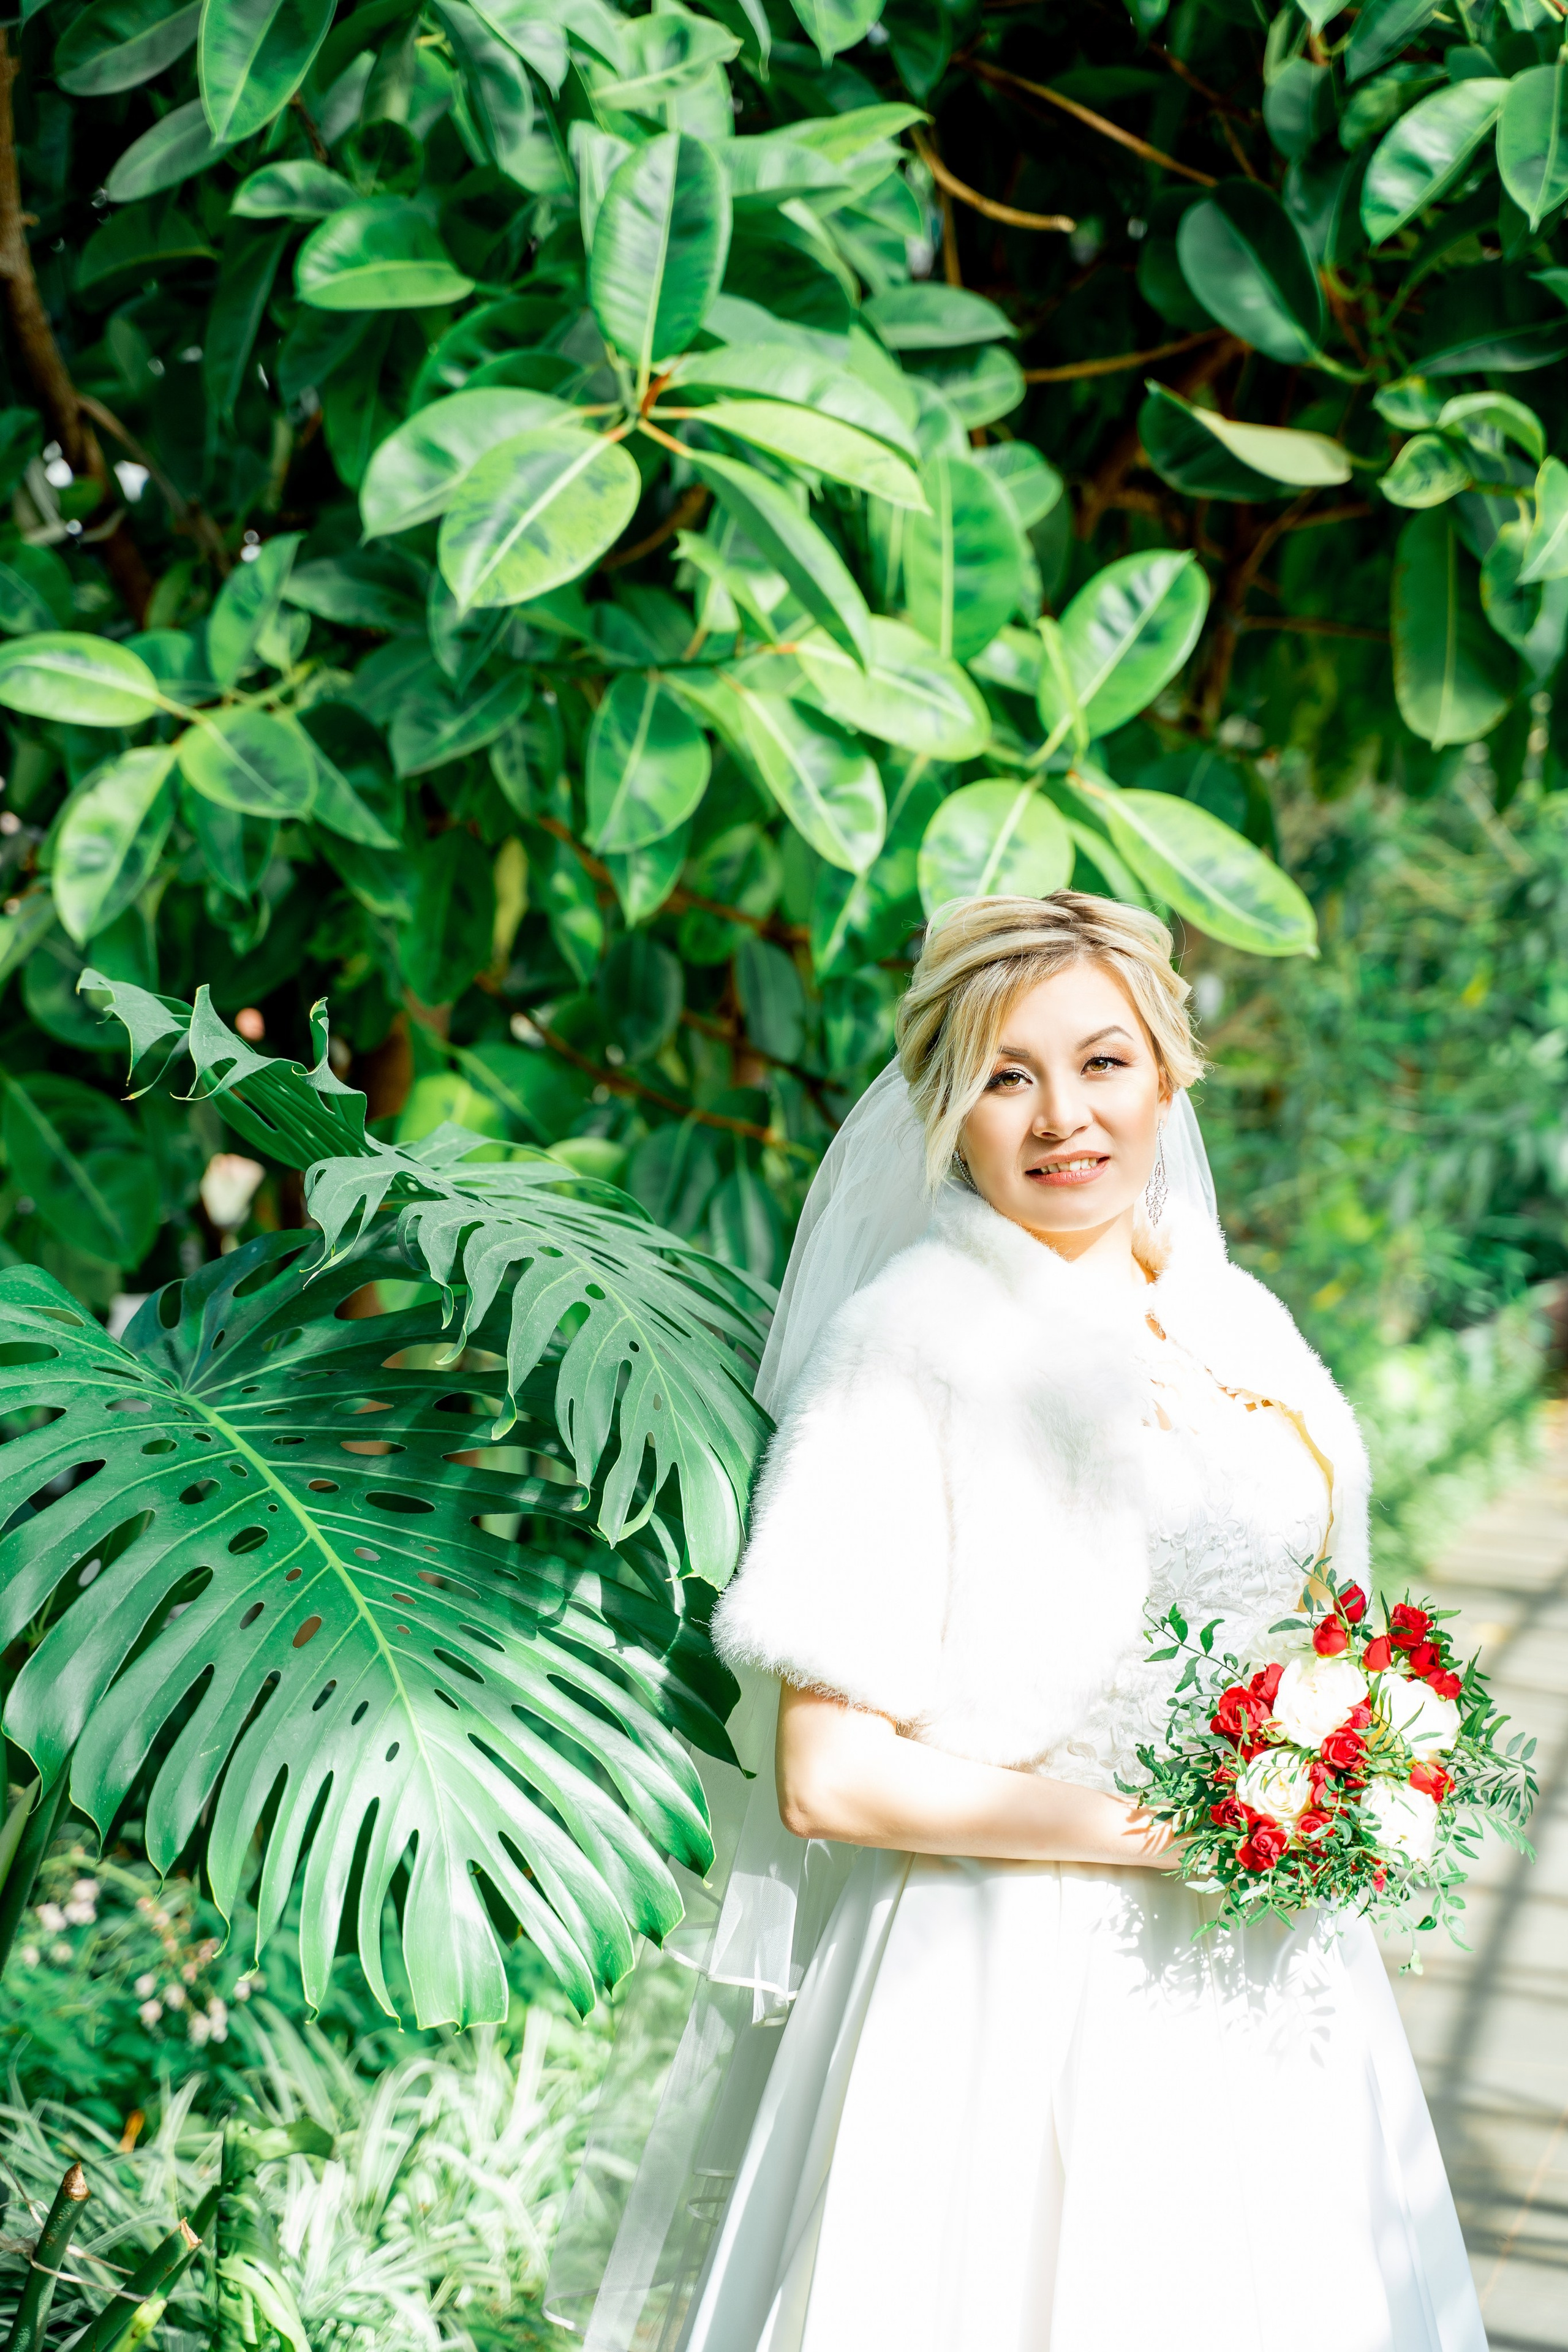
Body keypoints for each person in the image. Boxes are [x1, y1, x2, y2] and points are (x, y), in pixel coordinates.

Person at [548, 891, 1485, 2352]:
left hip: (1264, 1983)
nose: (1062, 1117)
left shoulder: (1238, 1325)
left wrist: (1361, 1759)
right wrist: (1175, 1833)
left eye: (1102, 1063)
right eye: (1004, 1074)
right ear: (945, 1106)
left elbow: (1314, 1614)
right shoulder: (909, 1345)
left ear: (1167, 1074)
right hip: (998, 1975)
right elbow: (827, 1776)